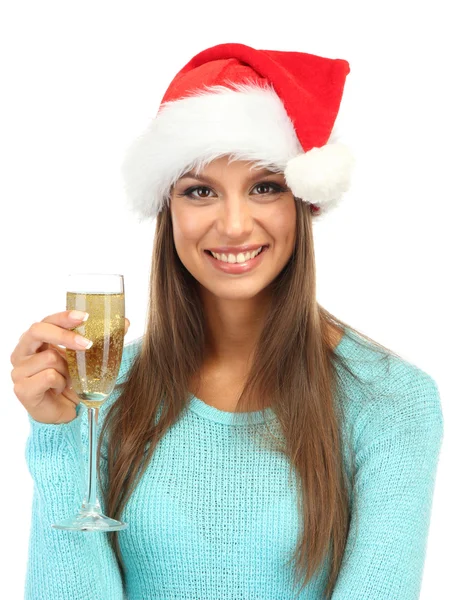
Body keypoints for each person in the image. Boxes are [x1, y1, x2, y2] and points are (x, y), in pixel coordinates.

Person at [11, 42, 444, 600]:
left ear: (301, 205)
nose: (235, 224)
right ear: (169, 212)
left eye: (265, 187)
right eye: (200, 191)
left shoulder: (390, 400)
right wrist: (59, 435)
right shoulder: (104, 389)